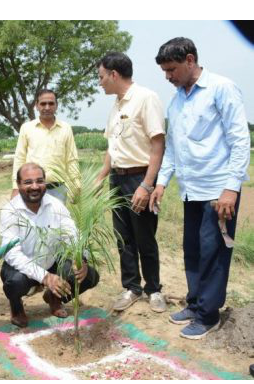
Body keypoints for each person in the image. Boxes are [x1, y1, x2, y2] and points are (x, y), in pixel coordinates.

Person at [150, 37, 251, 339]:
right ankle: (195, 304)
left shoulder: (222, 88)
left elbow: (239, 140)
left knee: (214, 253)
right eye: (165, 71)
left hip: (218, 191)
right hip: (191, 190)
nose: (168, 77)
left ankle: (208, 316)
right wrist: (162, 182)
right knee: (192, 251)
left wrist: (231, 189)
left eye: (172, 69)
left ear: (190, 60)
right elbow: (174, 148)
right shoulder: (177, 99)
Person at [95, 52, 167, 313]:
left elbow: (158, 144)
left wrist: (146, 185)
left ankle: (154, 289)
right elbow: (111, 147)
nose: (100, 82)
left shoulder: (146, 98)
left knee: (145, 236)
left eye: (101, 77)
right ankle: (132, 288)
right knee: (123, 237)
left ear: (114, 74)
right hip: (117, 178)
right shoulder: (116, 105)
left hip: (139, 177)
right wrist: (101, 178)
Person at [0, 162, 99, 328]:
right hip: (22, 268)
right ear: (18, 184)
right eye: (28, 182)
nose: (35, 186)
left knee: (89, 276)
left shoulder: (55, 204)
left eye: (40, 181)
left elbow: (72, 234)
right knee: (14, 283)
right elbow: (12, 254)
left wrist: (81, 258)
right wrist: (44, 277)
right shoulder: (10, 211)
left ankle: (54, 297)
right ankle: (16, 308)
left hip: (51, 262)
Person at [11, 89, 80, 203]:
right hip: (32, 188)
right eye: (43, 104)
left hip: (58, 189)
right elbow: (19, 158)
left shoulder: (65, 128)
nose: (47, 107)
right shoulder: (27, 128)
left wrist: (76, 186)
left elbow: (71, 159)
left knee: (57, 220)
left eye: (51, 103)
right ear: (36, 106)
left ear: (56, 106)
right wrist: (15, 187)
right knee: (32, 220)